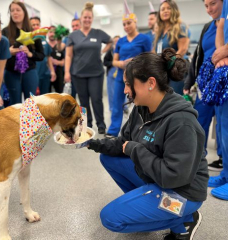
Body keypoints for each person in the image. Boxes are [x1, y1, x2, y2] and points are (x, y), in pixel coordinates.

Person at [87, 48, 208, 240]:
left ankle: (184, 219)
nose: (125, 90)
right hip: (157, 178)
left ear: (151, 83)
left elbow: (173, 176)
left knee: (111, 219)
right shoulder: (141, 108)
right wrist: (91, 143)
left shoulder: (181, 121)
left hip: (182, 191)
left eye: (129, 84)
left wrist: (136, 149)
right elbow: (123, 142)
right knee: (108, 157)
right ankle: (152, 208)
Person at [184, 0, 223, 171]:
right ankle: (199, 158)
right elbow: (198, 56)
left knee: (222, 125)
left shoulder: (226, 24)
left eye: (213, 3)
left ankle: (223, 159)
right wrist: (189, 80)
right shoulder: (208, 27)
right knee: (200, 122)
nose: (209, 9)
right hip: (204, 84)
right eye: (206, 6)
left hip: (223, 82)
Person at [105, 2, 152, 138]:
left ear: (135, 22)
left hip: (138, 77)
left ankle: (140, 131)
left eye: (129, 23)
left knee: (140, 104)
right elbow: (114, 60)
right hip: (121, 77)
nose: (126, 26)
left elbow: (150, 58)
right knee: (117, 104)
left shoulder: (144, 39)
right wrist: (121, 63)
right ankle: (113, 131)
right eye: (124, 24)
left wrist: (135, 62)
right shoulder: (120, 41)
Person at [65, 2, 112, 134]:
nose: (87, 19)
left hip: (96, 73)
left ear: (92, 19)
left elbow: (111, 41)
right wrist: (66, 72)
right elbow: (68, 55)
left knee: (96, 99)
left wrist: (102, 51)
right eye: (85, 17)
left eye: (89, 17)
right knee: (83, 100)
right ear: (81, 19)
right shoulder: (73, 36)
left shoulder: (98, 33)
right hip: (78, 73)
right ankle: (87, 124)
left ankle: (101, 124)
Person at [2, 1, 44, 104]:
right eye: (12, 11)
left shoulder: (33, 32)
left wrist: (30, 54)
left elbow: (41, 55)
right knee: (14, 104)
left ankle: (29, 121)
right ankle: (15, 121)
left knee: (30, 104)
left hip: (30, 72)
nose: (15, 13)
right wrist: (8, 52)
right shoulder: (5, 32)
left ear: (24, 12)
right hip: (11, 73)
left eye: (18, 10)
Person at [208, 0, 228, 200]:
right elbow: (221, 26)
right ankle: (226, 174)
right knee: (223, 128)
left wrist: (225, 50)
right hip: (224, 70)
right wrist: (220, 53)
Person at [153, 0, 191, 95]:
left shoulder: (180, 27)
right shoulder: (160, 32)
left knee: (174, 99)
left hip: (176, 69)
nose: (165, 11)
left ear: (174, 11)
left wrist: (167, 64)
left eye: (168, 8)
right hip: (164, 70)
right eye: (162, 9)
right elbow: (156, 51)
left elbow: (182, 50)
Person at [30, 16, 56, 95]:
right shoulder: (28, 41)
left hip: (45, 75)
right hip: (33, 74)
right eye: (33, 25)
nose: (35, 26)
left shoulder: (44, 41)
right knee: (33, 98)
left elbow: (48, 58)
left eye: (37, 24)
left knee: (45, 97)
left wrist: (52, 71)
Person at [103, 35, 120, 113]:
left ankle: (124, 106)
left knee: (122, 91)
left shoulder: (122, 50)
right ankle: (112, 108)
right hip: (111, 73)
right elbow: (105, 62)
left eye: (118, 40)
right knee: (111, 92)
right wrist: (113, 63)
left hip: (120, 72)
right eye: (115, 40)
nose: (116, 42)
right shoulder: (109, 51)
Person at [48, 26, 65, 93]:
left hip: (59, 74)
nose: (52, 34)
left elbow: (64, 61)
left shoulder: (62, 45)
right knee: (47, 95)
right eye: (50, 32)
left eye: (54, 32)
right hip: (47, 74)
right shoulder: (45, 45)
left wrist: (56, 62)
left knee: (59, 95)